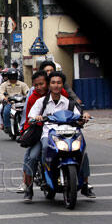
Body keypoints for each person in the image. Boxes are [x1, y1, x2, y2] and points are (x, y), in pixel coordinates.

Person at [29, 71, 95, 199]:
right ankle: (45, 174)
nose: (56, 85)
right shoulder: (41, 102)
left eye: (59, 83)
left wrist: (84, 117)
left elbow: (79, 114)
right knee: (44, 148)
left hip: (69, 134)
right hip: (49, 134)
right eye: (53, 82)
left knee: (83, 153)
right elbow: (31, 116)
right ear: (49, 85)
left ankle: (85, 184)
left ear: (62, 85)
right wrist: (36, 117)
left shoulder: (69, 103)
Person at [0, 68, 29, 132]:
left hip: (21, 102)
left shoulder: (22, 84)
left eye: (14, 76)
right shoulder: (4, 85)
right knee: (6, 111)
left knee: (27, 112)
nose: (13, 78)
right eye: (11, 76)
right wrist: (4, 98)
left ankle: (27, 125)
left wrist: (27, 95)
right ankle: (7, 126)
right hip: (10, 103)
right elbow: (0, 93)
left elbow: (27, 91)